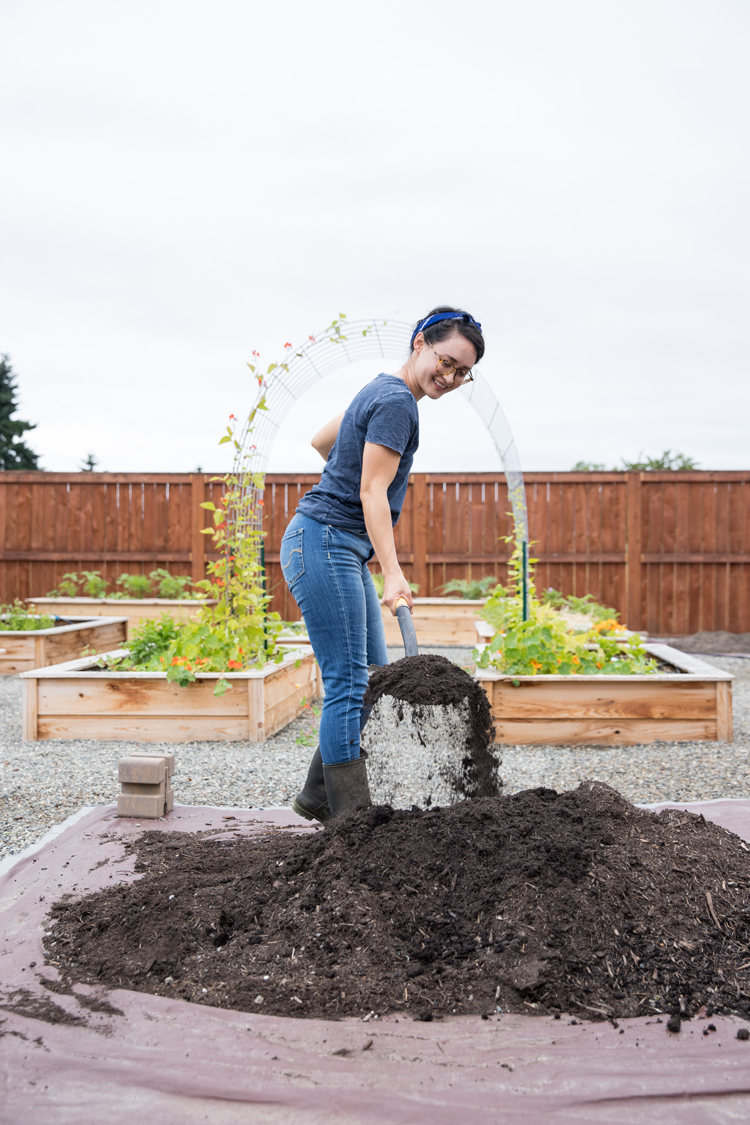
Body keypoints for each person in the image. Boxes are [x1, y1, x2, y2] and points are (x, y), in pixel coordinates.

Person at [280, 306, 485, 823]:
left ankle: (317, 794)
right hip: (326, 541)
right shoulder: (398, 403)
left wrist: (349, 479)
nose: (451, 377)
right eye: (446, 361)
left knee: (370, 677)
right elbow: (372, 489)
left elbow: (323, 442)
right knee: (349, 682)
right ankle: (349, 822)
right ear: (420, 342)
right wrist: (392, 571)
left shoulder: (379, 390)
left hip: (333, 544)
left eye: (463, 372)